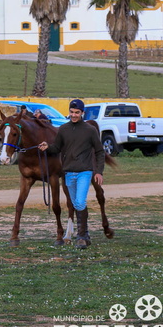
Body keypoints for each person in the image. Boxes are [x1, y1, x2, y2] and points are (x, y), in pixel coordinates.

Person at [38, 99, 105, 249]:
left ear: (82, 113)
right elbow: (57, 148)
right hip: (68, 172)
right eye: (72, 112)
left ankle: (81, 236)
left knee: (80, 202)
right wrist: (47, 147)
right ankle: (85, 234)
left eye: (77, 113)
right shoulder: (63, 129)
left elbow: (100, 151)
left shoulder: (89, 130)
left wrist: (98, 172)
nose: (74, 115)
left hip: (84, 171)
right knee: (76, 204)